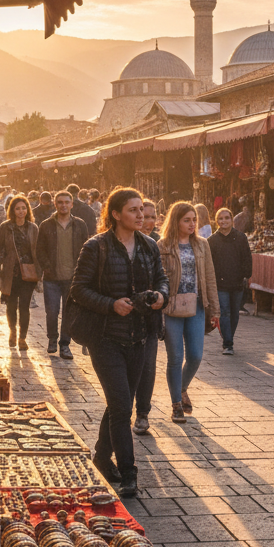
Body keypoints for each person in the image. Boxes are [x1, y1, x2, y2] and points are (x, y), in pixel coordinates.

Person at [70, 188, 168, 498]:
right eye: (133, 210)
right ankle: (128, 472)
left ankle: (101, 457)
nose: (141, 215)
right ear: (115, 214)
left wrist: (160, 297)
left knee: (118, 403)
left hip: (139, 336)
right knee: (123, 405)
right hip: (106, 336)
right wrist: (111, 304)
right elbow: (78, 290)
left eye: (142, 209)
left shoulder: (149, 247)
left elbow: (162, 279)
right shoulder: (95, 247)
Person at [158, 203, 218, 423]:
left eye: (194, 220)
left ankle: (182, 388)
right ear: (176, 221)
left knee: (195, 356)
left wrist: (216, 309)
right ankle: (176, 404)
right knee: (175, 357)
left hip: (197, 306)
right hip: (172, 307)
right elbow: (158, 278)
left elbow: (210, 277)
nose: (192, 224)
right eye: (187, 220)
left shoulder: (202, 245)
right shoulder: (163, 245)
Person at [36, 190, 88, 359]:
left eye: (67, 202)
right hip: (52, 278)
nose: (63, 205)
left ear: (72, 204)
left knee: (69, 313)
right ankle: (52, 339)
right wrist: (46, 266)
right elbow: (40, 249)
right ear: (55, 204)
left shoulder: (80, 225)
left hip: (72, 278)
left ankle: (65, 345)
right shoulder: (46, 225)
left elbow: (86, 250)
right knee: (51, 311)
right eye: (60, 202)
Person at [0, 195, 40, 350]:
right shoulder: (6, 227)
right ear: (12, 211)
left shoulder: (33, 228)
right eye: (18, 208)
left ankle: (22, 338)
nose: (21, 211)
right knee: (11, 305)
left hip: (28, 273)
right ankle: (12, 331)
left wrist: (40, 272)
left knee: (25, 306)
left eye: (23, 208)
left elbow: (37, 250)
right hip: (11, 272)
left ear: (27, 210)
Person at [208, 208, 252, 355]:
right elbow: (209, 263)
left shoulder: (240, 238)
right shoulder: (212, 240)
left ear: (231, 219)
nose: (224, 221)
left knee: (234, 313)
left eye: (226, 218)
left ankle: (229, 337)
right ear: (216, 221)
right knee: (224, 312)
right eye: (220, 218)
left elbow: (246, 257)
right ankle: (228, 343)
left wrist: (246, 275)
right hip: (220, 283)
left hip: (237, 281)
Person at [133, 199, 161, 432]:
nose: (147, 220)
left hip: (150, 317)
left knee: (148, 366)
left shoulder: (157, 244)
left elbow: (164, 279)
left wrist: (163, 296)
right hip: (123, 316)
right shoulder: (114, 244)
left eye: (151, 216)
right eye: (142, 214)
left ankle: (142, 413)